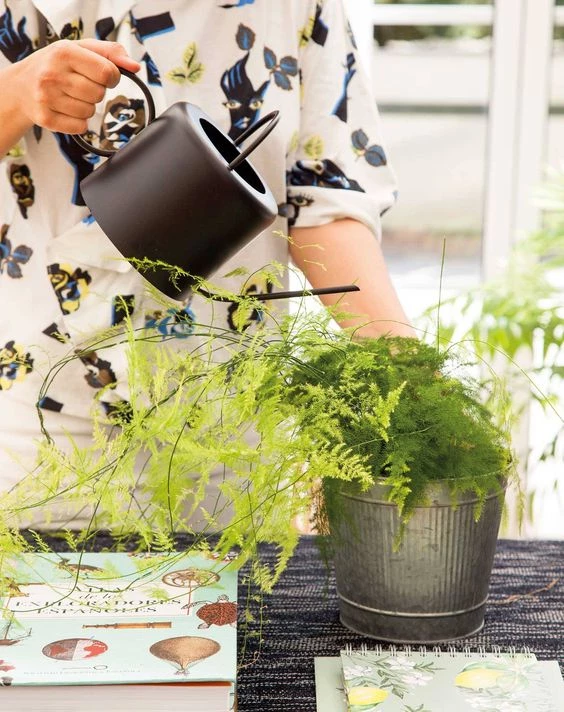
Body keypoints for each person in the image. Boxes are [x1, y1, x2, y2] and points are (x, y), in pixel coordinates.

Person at [0, 0, 413, 523]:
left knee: (232, 578)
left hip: (225, 428)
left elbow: (324, 200)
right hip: (41, 425)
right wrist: (15, 94)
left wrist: (406, 371)